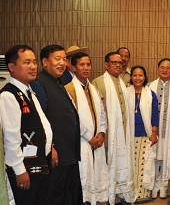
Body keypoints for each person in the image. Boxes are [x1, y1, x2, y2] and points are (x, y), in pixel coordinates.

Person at [0, 45, 53, 205]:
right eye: (27, 62)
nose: (33, 66)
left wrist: (51, 146)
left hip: (40, 163)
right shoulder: (8, 95)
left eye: (34, 62)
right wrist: (19, 170)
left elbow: (40, 124)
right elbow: (11, 138)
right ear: (11, 67)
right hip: (25, 169)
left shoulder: (29, 92)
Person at [30, 44, 83, 205]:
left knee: (70, 194)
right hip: (56, 153)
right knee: (56, 195)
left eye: (65, 59)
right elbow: (40, 120)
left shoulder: (58, 81)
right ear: (45, 62)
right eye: (57, 59)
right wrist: (51, 147)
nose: (62, 63)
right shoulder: (39, 83)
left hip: (68, 151)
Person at [65, 52, 109, 205]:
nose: (85, 68)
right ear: (73, 67)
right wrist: (90, 137)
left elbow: (102, 114)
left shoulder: (93, 89)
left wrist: (102, 133)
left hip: (97, 141)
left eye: (88, 64)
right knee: (85, 175)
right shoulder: (69, 89)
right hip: (83, 142)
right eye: (81, 65)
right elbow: (73, 119)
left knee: (98, 175)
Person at [92, 52, 136, 205]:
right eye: (114, 62)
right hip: (107, 135)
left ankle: (120, 195)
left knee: (122, 163)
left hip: (123, 133)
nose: (118, 65)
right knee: (107, 165)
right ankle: (107, 197)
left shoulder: (123, 83)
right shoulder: (98, 83)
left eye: (120, 63)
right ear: (106, 64)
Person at [149, 58, 170, 199]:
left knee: (166, 156)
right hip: (154, 128)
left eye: (168, 67)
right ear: (157, 69)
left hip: (169, 129)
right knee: (154, 156)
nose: (164, 70)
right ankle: (154, 184)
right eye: (162, 67)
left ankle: (164, 184)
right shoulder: (150, 86)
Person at [126, 66, 159, 202]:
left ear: (145, 77)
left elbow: (155, 115)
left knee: (143, 165)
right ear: (131, 77)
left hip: (145, 134)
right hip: (129, 135)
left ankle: (142, 195)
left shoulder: (150, 94)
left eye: (140, 75)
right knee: (130, 165)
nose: (137, 78)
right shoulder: (126, 92)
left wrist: (154, 133)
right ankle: (128, 194)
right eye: (135, 75)